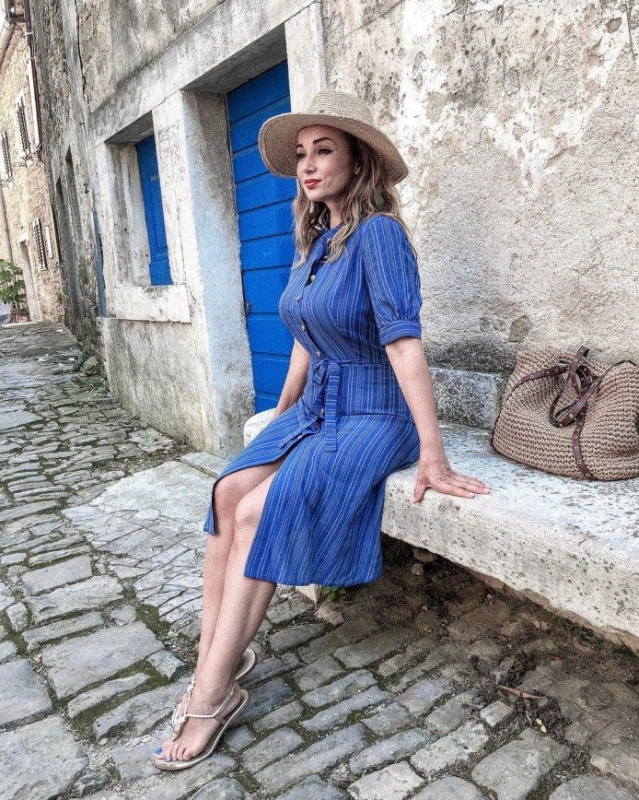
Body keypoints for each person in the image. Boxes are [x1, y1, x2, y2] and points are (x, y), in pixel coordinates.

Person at [153, 90, 490, 771]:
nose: (307, 165)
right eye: (302, 154)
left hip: (375, 414)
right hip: (317, 410)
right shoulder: (318, 243)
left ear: (358, 161)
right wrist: (280, 416)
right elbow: (306, 337)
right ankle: (220, 653)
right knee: (227, 490)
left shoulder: (379, 236)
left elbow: (402, 342)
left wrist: (433, 452)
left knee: (259, 510)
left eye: (324, 150)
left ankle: (210, 695)